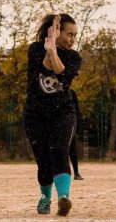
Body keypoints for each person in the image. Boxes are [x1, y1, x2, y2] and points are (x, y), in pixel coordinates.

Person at [24, 14, 81, 216]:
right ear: (55, 32)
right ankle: (45, 198)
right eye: (69, 34)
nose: (73, 38)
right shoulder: (35, 49)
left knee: (59, 150)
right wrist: (49, 50)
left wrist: (54, 51)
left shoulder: (74, 58)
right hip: (35, 114)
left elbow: (61, 73)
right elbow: (45, 67)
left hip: (63, 113)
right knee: (43, 160)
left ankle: (63, 197)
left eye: (75, 35)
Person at [69, 90, 83, 180]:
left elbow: (77, 110)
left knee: (72, 148)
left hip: (69, 122)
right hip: (63, 122)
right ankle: (75, 173)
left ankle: (76, 172)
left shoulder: (71, 93)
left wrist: (78, 125)